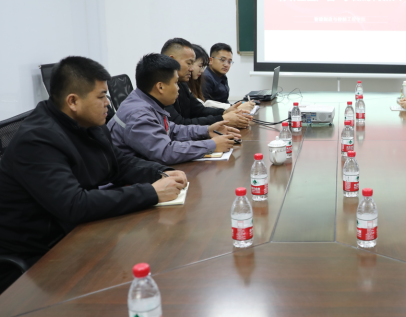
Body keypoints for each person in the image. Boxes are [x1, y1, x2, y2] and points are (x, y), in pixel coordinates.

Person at [0, 57, 188, 293]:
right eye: (101, 96)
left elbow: (119, 163)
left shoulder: (89, 123)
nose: (108, 103)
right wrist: (151, 192)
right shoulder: (37, 140)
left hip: (79, 233)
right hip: (40, 256)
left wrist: (161, 172)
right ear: (73, 101)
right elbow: (74, 204)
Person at [108, 54, 239, 165]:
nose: (178, 88)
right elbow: (165, 152)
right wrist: (212, 145)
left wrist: (207, 131)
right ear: (160, 87)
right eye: (176, 83)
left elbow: (172, 130)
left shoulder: (146, 100)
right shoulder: (138, 114)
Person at [161, 39, 252, 128]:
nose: (192, 69)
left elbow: (199, 110)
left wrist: (225, 112)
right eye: (189, 63)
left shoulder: (182, 83)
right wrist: (222, 119)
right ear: (171, 60)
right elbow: (179, 124)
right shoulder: (161, 87)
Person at [189, 44, 255, 112]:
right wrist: (233, 108)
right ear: (211, 60)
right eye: (222, 60)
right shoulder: (204, 77)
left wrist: (236, 106)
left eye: (229, 61)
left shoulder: (222, 76)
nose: (226, 65)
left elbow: (224, 101)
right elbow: (205, 106)